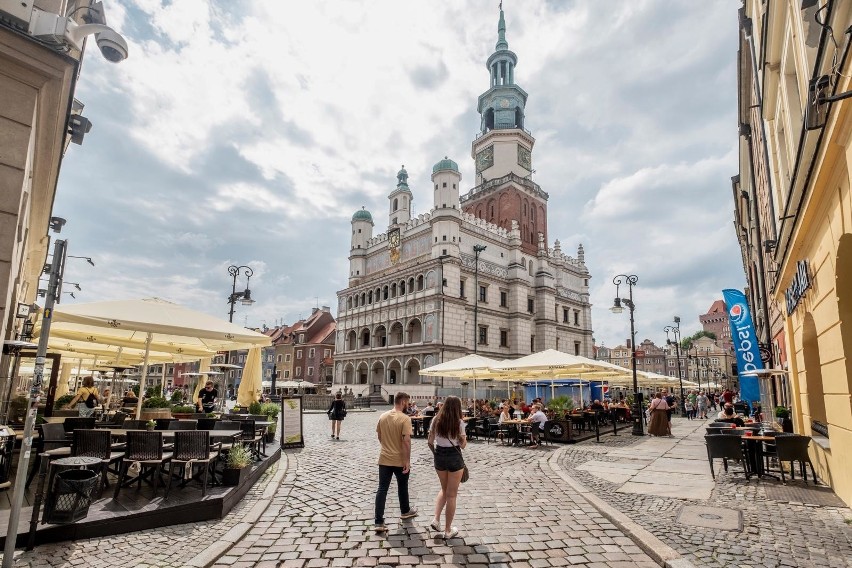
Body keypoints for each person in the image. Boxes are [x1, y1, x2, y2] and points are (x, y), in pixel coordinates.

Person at [374, 391, 418, 533]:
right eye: (408, 402)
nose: (409, 405)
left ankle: (379, 522)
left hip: (384, 458)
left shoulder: (383, 416)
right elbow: (406, 441)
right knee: (402, 486)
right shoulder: (405, 419)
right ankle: (405, 511)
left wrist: (387, 446)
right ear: (403, 402)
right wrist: (407, 461)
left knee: (382, 489)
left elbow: (379, 436)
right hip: (399, 459)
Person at [427, 395, 467, 539]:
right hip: (454, 457)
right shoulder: (459, 422)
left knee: (444, 489)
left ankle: (436, 519)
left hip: (439, 456)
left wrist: (436, 454)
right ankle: (448, 530)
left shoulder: (435, 420)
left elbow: (430, 441)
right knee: (451, 494)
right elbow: (463, 445)